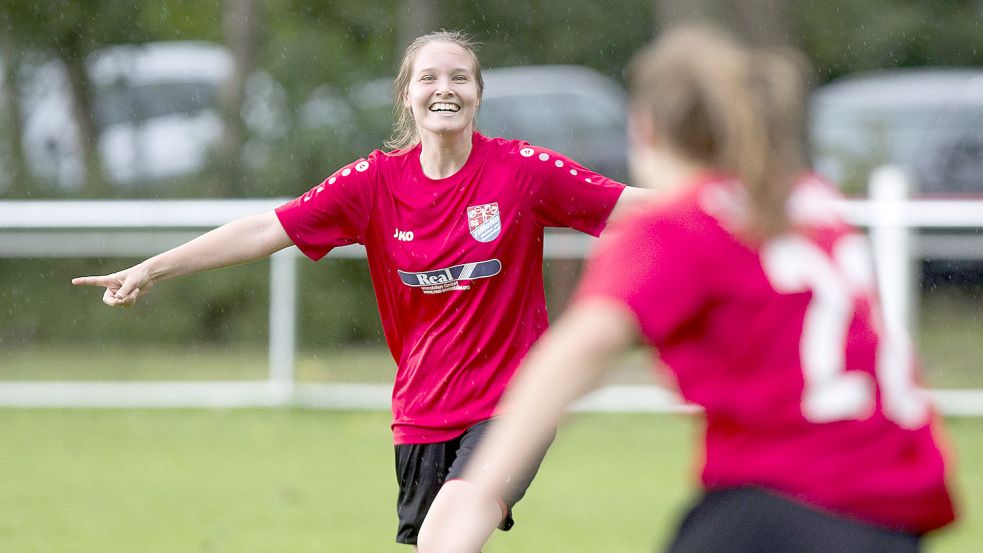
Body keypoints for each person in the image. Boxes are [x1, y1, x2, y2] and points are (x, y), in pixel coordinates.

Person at [72, 30, 648, 550]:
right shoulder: (374, 182)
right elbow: (265, 229)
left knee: (447, 540)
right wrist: (152, 268)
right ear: (407, 96)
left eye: (459, 77)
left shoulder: (521, 171)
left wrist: (730, 213)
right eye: (429, 77)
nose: (444, 88)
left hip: (516, 404)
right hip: (422, 411)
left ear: (477, 94)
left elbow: (633, 208)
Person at [421, 25, 958, 553]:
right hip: (897, 496)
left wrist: (479, 485)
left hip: (793, 493)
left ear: (644, 126)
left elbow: (580, 350)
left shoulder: (679, 226)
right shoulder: (801, 198)